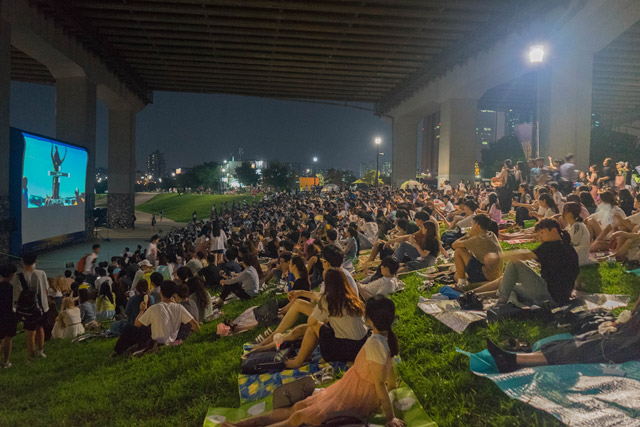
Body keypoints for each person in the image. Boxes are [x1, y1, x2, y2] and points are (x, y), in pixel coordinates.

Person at [225, 296, 404, 427]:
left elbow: (380, 384)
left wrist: (390, 418)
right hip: (349, 390)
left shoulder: (376, 344)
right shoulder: (384, 338)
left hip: (355, 399)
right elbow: (389, 369)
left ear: (370, 318)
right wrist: (394, 387)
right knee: (299, 408)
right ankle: (242, 424)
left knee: (298, 417)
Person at [486, 295, 640, 373]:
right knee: (580, 339)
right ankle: (522, 358)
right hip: (628, 331)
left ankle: (515, 360)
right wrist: (620, 322)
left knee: (588, 347)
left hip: (633, 342)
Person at [473, 219, 579, 307]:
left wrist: (497, 256)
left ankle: (500, 304)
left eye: (542, 232)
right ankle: (476, 296)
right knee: (509, 285)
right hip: (561, 297)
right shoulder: (569, 248)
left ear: (554, 230)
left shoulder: (550, 246)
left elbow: (524, 254)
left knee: (514, 265)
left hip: (550, 296)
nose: (540, 237)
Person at [284, 268, 369, 369]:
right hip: (362, 345)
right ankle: (305, 355)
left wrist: (319, 312)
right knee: (321, 326)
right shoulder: (351, 297)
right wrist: (301, 293)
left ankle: (299, 360)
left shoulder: (328, 300)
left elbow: (311, 321)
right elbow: (318, 296)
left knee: (314, 326)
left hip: (347, 350)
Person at [135, 280, 200, 346]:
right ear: (174, 293)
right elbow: (195, 324)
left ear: (160, 292)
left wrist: (141, 310)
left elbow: (137, 324)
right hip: (174, 344)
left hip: (158, 345)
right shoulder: (179, 307)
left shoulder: (153, 308)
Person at [12, 253, 49, 360]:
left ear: (22, 261)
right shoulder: (41, 273)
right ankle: (41, 351)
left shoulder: (18, 277)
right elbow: (46, 288)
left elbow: (17, 296)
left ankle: (31, 355)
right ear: (35, 261)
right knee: (40, 329)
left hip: (27, 309)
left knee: (30, 333)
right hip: (41, 307)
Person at [452, 214, 502, 288]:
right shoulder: (491, 234)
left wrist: (468, 235)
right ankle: (469, 282)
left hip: (486, 273)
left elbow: (454, 245)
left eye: (472, 224)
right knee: (457, 274)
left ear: (477, 225)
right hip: (496, 272)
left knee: (459, 251)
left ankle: (462, 284)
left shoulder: (477, 239)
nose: (471, 227)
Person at [563, 202, 591, 267]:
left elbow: (573, 242)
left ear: (570, 214)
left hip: (578, 256)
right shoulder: (570, 225)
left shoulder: (577, 226)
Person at [0, 264, 17, 368]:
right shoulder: (12, 288)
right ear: (11, 275)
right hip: (9, 315)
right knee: (8, 338)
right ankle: (6, 362)